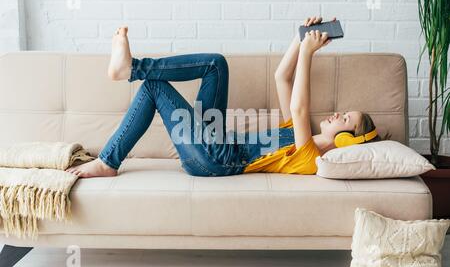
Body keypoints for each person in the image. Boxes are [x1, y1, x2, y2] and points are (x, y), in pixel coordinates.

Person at [66, 16, 386, 178]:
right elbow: (281, 77)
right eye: (343, 112)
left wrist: (309, 52)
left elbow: (301, 107)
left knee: (153, 86)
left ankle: (109, 158)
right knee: (215, 65)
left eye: (345, 119)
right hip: (214, 144)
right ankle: (132, 70)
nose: (336, 115)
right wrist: (298, 38)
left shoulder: (311, 158)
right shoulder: (298, 132)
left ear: (348, 141)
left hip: (216, 159)